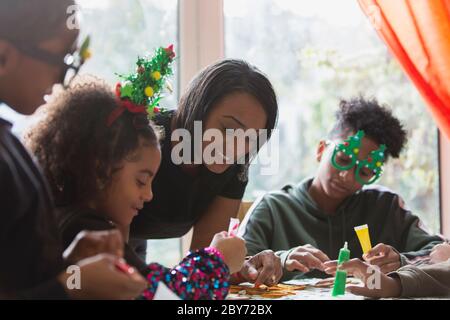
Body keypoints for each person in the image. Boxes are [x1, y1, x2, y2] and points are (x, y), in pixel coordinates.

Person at [0, 0, 146, 299]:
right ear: (3, 56)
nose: (61, 79)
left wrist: (72, 264)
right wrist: (73, 285)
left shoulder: (10, 147)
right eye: (59, 60)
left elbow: (23, 282)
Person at [240, 97, 443, 282]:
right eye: (343, 159)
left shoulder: (387, 208)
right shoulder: (273, 208)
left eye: (364, 171)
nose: (347, 176)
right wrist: (282, 260)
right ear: (321, 150)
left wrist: (402, 261)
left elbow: (443, 253)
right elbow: (235, 267)